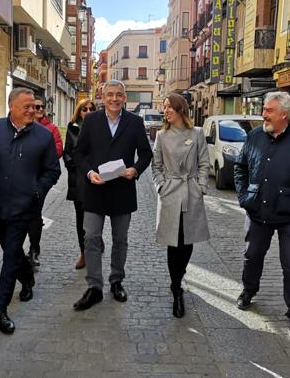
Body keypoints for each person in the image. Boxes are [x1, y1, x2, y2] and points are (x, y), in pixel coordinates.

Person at [233, 91, 290, 341]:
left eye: (269, 110)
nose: (264, 114)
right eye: (264, 109)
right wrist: (244, 197)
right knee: (252, 256)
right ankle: (248, 291)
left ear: (284, 114)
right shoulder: (254, 136)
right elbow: (240, 167)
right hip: (257, 211)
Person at [0, 87, 60, 334]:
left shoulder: (43, 136)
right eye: (27, 107)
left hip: (24, 206)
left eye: (34, 107)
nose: (32, 111)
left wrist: (36, 191)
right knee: (10, 251)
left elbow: (52, 171)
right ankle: (27, 278)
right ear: (11, 106)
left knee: (10, 253)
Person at [72, 79, 152, 311]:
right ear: (102, 97)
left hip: (122, 190)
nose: (114, 99)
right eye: (110, 95)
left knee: (120, 240)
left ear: (124, 98)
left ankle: (116, 280)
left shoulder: (136, 123)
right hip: (95, 190)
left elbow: (146, 154)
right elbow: (79, 153)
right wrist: (88, 173)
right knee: (91, 238)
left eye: (119, 95)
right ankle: (94, 287)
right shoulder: (91, 121)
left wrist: (135, 169)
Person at [151, 93, 210, 318]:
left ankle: (179, 277)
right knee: (172, 243)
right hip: (170, 194)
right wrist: (161, 187)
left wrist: (201, 186)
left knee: (187, 241)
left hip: (191, 192)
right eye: (164, 107)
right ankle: (176, 287)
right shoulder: (162, 136)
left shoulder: (196, 134)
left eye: (170, 107)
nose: (166, 111)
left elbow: (204, 162)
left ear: (180, 110)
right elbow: (155, 166)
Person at [25, 96, 64, 270]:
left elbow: (58, 149)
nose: (39, 109)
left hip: (40, 177)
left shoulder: (51, 129)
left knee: (35, 212)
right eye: (36, 106)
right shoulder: (23, 124)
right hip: (21, 177)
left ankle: (34, 249)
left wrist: (38, 154)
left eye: (41, 106)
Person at [63, 98, 96, 270]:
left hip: (96, 179)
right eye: (85, 109)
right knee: (81, 219)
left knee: (95, 217)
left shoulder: (100, 127)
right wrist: (75, 165)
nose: (88, 112)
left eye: (91, 109)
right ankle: (83, 253)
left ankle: (94, 241)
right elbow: (67, 152)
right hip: (79, 178)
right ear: (79, 111)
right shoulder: (72, 127)